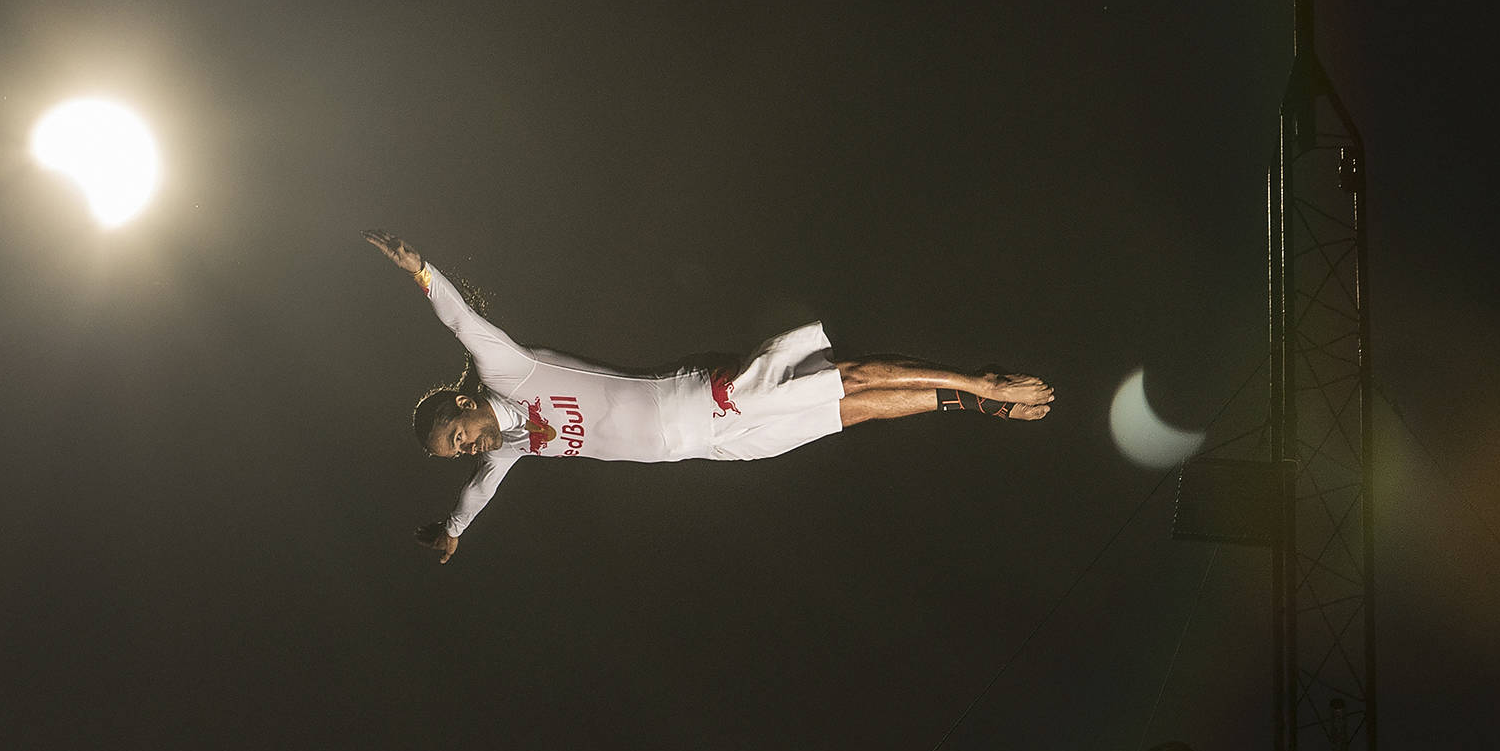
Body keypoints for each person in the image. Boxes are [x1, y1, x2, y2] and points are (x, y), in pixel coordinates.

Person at [365, 230, 1054, 562]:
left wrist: (420, 270)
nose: (470, 449)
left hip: (702, 402)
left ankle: (981, 381)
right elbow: (478, 492)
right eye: (459, 453)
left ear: (462, 407)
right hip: (713, 448)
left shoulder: (508, 372)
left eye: (458, 437)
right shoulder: (512, 447)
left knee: (844, 377)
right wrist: (453, 531)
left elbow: (461, 319)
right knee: (841, 412)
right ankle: (971, 403)